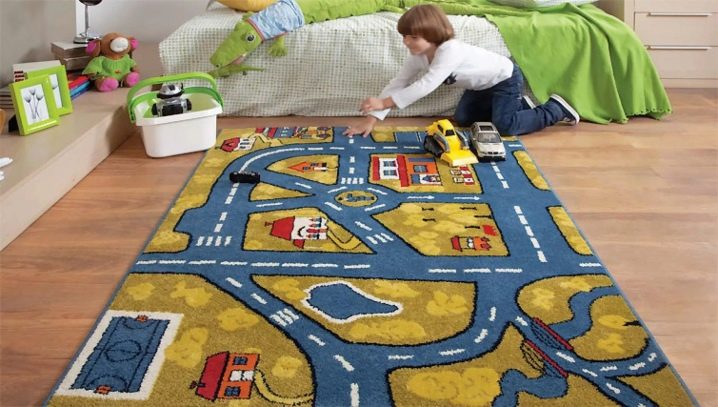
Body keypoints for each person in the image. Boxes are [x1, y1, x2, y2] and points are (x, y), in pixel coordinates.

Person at [343, 4, 579, 138]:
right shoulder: (418, 56)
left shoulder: (449, 50)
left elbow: (426, 84)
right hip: (480, 87)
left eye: (413, 37)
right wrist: (372, 119)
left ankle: (555, 109)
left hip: (504, 78)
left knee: (505, 127)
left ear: (433, 35)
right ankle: (520, 107)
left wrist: (384, 103)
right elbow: (399, 82)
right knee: (464, 119)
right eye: (404, 36)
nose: (406, 42)